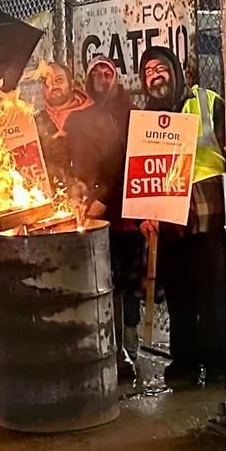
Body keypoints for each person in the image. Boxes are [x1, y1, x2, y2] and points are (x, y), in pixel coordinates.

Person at [138, 46, 226, 388]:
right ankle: (185, 365)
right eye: (148, 72)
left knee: (213, 292)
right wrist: (144, 214)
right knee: (178, 294)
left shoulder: (207, 101)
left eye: (160, 68)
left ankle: (217, 365)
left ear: (176, 70)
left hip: (208, 210)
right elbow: (139, 173)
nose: (155, 76)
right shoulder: (144, 117)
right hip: (169, 216)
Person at [65, 55, 141, 377]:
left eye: (106, 71)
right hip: (91, 211)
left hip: (124, 212)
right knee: (100, 279)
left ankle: (126, 348)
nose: (101, 77)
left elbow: (129, 162)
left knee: (125, 281)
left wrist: (105, 199)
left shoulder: (133, 114)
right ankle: (104, 346)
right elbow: (74, 164)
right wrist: (78, 190)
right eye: (95, 72)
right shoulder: (79, 119)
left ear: (116, 77)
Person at [35, 62, 90, 184]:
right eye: (47, 82)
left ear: (71, 84)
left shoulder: (95, 116)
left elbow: (113, 165)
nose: (53, 86)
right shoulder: (35, 123)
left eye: (59, 80)